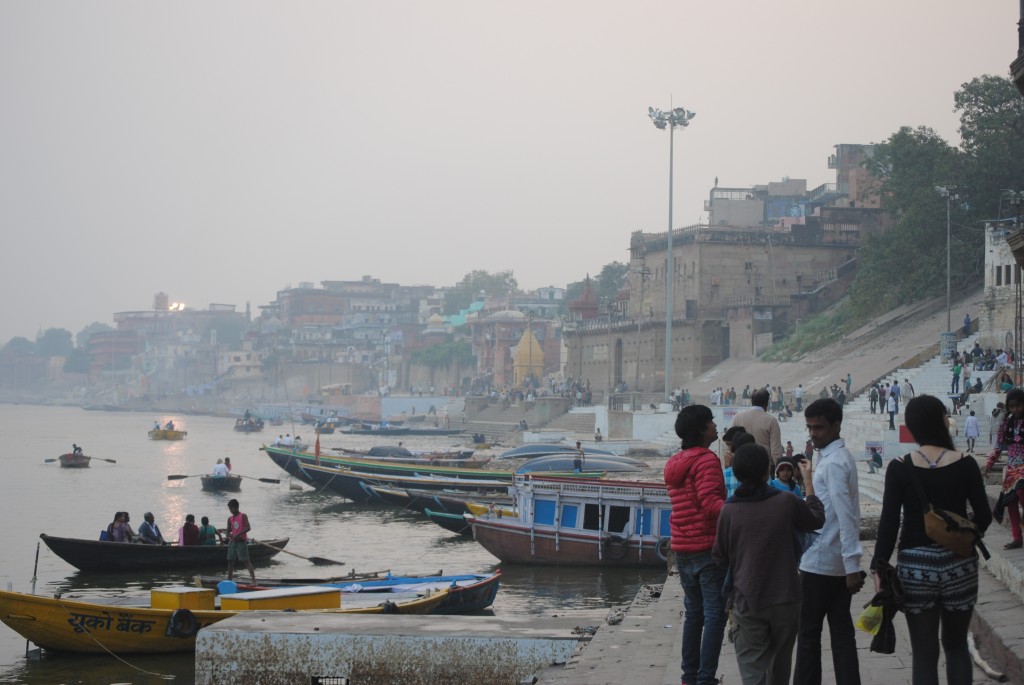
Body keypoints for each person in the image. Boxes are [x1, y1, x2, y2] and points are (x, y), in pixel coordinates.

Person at [872, 395, 991, 684]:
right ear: (942, 422)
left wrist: (879, 565)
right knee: (956, 646)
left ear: (912, 427)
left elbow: (889, 522)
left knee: (925, 654)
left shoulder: (899, 466)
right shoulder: (966, 464)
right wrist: (961, 541)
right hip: (959, 566)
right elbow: (984, 516)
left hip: (915, 567)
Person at [713, 444, 824, 685]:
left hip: (748, 599)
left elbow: (719, 556)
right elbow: (816, 519)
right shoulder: (786, 501)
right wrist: (808, 483)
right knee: (780, 668)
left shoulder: (729, 511)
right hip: (786, 598)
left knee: (753, 671)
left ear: (738, 472)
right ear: (768, 471)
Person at [795, 398, 863, 685]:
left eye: (819, 427)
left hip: (822, 561)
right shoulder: (832, 456)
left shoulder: (835, 462)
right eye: (809, 427)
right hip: (830, 561)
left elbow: (846, 516)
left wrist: (852, 564)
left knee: (809, 635)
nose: (813, 433)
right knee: (841, 634)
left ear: (836, 425)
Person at [664, 405, 727, 685]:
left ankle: (690, 677)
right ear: (702, 429)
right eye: (711, 423)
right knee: (715, 614)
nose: (716, 427)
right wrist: (740, 512)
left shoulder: (675, 462)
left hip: (683, 549)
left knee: (694, 614)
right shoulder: (706, 460)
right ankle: (704, 678)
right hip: (706, 547)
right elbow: (711, 504)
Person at [986, 388, 1024, 550]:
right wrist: (989, 464)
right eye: (1012, 406)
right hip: (1011, 467)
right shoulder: (1006, 423)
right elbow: (998, 447)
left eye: (1019, 405)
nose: (1015, 409)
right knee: (1011, 503)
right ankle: (1017, 537)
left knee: (1021, 492)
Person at [731, 388, 784, 464]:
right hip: (764, 465)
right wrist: (780, 470)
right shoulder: (771, 421)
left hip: (742, 464)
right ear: (767, 403)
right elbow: (775, 451)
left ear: (752, 401)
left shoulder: (738, 417)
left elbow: (729, 442)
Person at [226, 499, 256, 581]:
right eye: (229, 509)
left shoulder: (243, 516)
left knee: (246, 561)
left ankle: (253, 581)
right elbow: (228, 532)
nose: (231, 511)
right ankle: (229, 580)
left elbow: (248, 527)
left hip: (241, 542)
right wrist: (230, 535)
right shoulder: (230, 519)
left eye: (232, 508)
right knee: (230, 560)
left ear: (237, 507)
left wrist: (238, 534)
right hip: (232, 542)